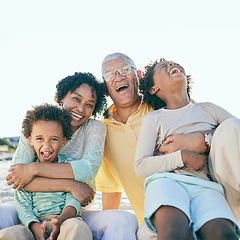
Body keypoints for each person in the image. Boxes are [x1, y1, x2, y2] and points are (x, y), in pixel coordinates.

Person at [96, 52, 240, 239]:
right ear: (105, 88)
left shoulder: (162, 106)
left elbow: (227, 134)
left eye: (125, 70)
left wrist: (203, 139)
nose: (119, 76)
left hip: (203, 189)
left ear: (138, 76)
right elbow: (111, 190)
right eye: (111, 74)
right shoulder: (104, 131)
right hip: (157, 215)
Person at [1, 71, 138, 240]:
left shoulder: (94, 128)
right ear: (62, 97)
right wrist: (71, 185)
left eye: (89, 104)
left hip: (73, 210)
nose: (81, 108)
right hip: (32, 207)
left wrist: (33, 169)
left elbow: (86, 170)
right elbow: (16, 178)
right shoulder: (37, 124)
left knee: (125, 219)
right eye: (76, 98)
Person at [0, 103, 93, 240]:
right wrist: (34, 226)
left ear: (63, 142)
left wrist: (59, 220)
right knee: (10, 234)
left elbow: (73, 201)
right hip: (32, 223)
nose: (46, 146)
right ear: (31, 140)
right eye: (39, 139)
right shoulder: (25, 171)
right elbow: (23, 205)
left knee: (78, 228)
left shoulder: (69, 166)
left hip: (65, 220)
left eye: (54, 139)